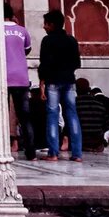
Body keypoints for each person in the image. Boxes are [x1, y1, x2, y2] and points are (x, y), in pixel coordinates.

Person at [38, 9, 83, 161]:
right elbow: (77, 63)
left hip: (53, 82)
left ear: (51, 25)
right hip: (69, 81)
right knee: (72, 115)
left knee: (52, 116)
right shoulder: (71, 40)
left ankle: (53, 153)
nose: (44, 27)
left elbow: (44, 64)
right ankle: (77, 154)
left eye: (46, 24)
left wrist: (42, 81)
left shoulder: (47, 41)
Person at [4, 3, 34, 160]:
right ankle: (31, 153)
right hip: (21, 78)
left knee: (0, 116)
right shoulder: (22, 30)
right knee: (24, 117)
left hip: (2, 77)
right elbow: (27, 50)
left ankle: (1, 149)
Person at [75, 78, 109, 152]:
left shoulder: (74, 104)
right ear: (89, 89)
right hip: (97, 144)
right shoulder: (100, 105)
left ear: (76, 90)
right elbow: (108, 125)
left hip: (80, 142)